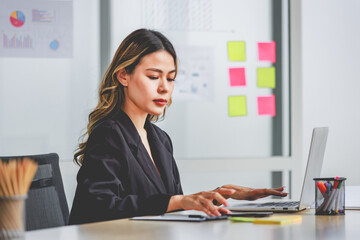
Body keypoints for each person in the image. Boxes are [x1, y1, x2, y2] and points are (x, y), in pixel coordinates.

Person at [68, 29, 287, 225]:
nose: (164, 87)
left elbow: (169, 206)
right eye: (153, 76)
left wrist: (214, 195)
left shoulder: (159, 138)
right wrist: (180, 201)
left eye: (171, 78)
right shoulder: (109, 133)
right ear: (124, 75)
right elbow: (96, 209)